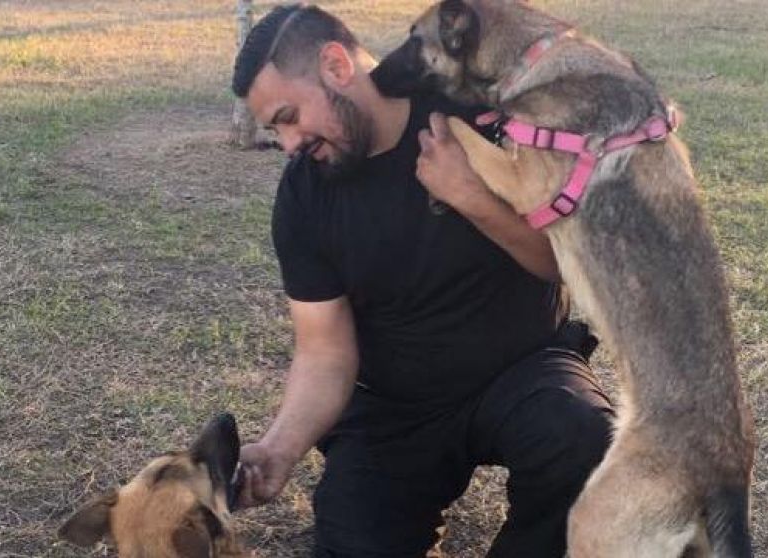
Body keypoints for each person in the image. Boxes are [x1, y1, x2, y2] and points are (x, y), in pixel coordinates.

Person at [231, 4, 614, 557]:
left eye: (289, 116)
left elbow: (563, 264)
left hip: (523, 371)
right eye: (275, 129)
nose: (288, 143)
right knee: (352, 537)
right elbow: (324, 352)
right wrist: (278, 449)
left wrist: (472, 196)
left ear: (336, 66)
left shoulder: (478, 111)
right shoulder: (304, 197)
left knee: (586, 444)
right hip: (395, 405)